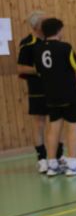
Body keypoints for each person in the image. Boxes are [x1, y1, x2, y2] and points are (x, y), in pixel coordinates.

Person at [36, 18, 76, 177]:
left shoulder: (39, 49)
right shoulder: (64, 47)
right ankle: (72, 165)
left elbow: (39, 71)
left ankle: (52, 165)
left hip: (51, 95)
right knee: (73, 128)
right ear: (58, 30)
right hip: (70, 95)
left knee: (53, 129)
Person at [15, 10, 53, 173]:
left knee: (56, 122)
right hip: (38, 89)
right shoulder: (28, 43)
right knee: (40, 123)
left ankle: (56, 157)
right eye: (44, 21)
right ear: (36, 25)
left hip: (54, 88)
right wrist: (39, 69)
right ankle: (42, 158)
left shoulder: (51, 40)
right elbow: (20, 68)